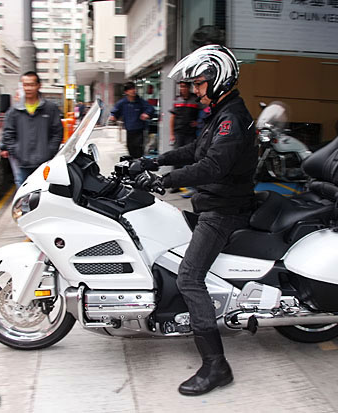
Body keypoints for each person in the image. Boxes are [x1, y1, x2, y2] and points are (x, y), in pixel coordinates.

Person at [136, 45, 258, 396]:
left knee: (190, 277)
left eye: (200, 83)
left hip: (224, 210)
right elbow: (195, 151)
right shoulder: (222, 112)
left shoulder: (232, 119)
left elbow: (212, 167)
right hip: (213, 202)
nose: (195, 90)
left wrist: (162, 182)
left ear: (218, 79)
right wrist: (153, 161)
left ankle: (216, 366)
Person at [1, 71, 63, 187]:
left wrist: (49, 151)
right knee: (24, 198)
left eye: (31, 84)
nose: (28, 88)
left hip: (44, 164)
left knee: (43, 197)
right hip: (22, 163)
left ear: (39, 86)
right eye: (25, 85)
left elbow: (57, 132)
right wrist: (16, 151)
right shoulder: (14, 111)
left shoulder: (50, 109)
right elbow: (8, 134)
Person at [169, 81, 202, 193]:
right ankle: (176, 185)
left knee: (191, 159)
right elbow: (172, 118)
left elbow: (206, 112)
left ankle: (192, 186)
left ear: (189, 88)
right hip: (179, 133)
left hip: (190, 134)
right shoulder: (177, 100)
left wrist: (199, 122)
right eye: (181, 86)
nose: (182, 89)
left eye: (184, 87)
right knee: (176, 158)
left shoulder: (196, 100)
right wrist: (171, 134)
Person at [109, 82, 154, 158]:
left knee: (139, 149)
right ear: (126, 92)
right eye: (130, 89)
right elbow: (115, 112)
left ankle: (139, 164)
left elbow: (150, 108)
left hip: (140, 130)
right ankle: (133, 164)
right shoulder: (122, 103)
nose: (133, 91)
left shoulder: (140, 101)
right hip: (129, 130)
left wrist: (146, 114)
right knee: (131, 148)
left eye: (134, 88)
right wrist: (113, 116)